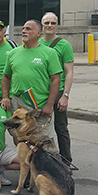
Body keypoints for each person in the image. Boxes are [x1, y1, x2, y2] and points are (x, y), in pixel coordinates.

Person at [1, 20, 63, 138]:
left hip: (41, 105)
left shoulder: (49, 53)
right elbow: (6, 76)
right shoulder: (13, 53)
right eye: (24, 28)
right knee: (20, 140)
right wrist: (5, 97)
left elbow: (56, 79)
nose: (24, 31)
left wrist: (50, 104)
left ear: (38, 33)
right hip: (20, 104)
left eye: (29, 29)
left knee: (44, 141)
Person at [39, 12, 75, 167]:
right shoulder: (36, 43)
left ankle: (66, 160)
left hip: (58, 91)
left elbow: (69, 72)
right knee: (39, 127)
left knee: (60, 127)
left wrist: (65, 95)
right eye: (47, 23)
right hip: (40, 93)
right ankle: (42, 159)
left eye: (53, 23)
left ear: (57, 25)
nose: (49, 26)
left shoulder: (64, 45)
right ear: (42, 25)